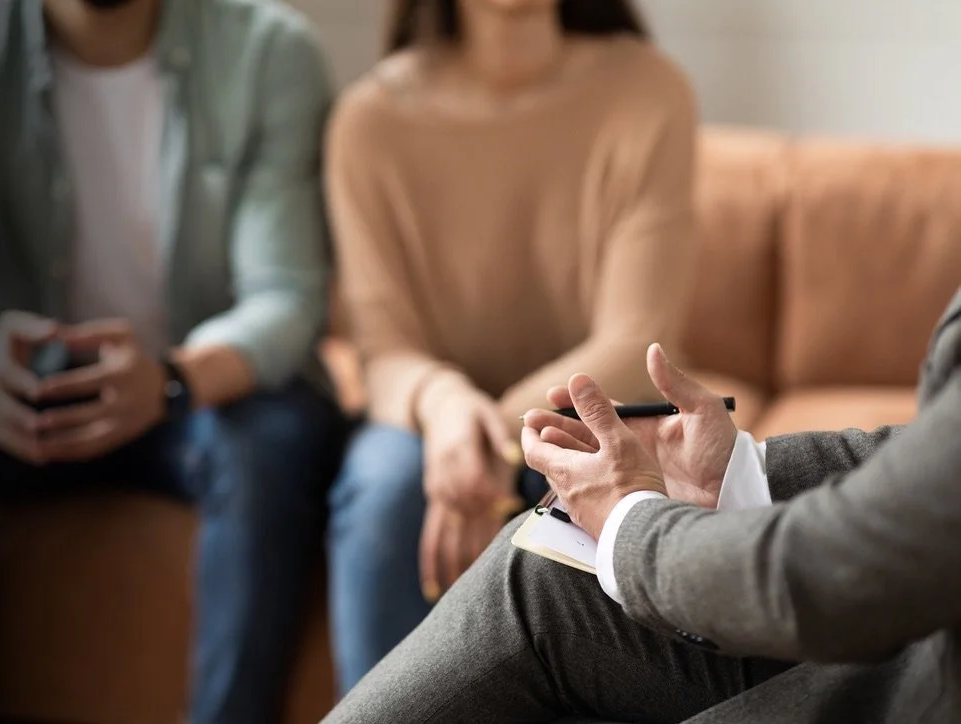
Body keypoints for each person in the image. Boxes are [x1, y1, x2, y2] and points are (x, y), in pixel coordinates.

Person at [0, 1, 343, 723]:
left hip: (201, 395)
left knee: (270, 445)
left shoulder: (269, 50)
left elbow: (285, 296)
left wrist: (172, 379)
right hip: (20, 394)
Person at [323, 287, 961, 723]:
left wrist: (631, 520)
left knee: (570, 573)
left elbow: (825, 579)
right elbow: (931, 468)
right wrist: (740, 475)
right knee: (547, 571)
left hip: (910, 676)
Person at [324, 0, 699, 693]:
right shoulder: (368, 120)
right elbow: (382, 348)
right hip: (427, 425)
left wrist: (497, 435)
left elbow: (633, 337)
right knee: (382, 495)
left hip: (595, 414)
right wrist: (445, 410)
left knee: (627, 502)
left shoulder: (649, 89)